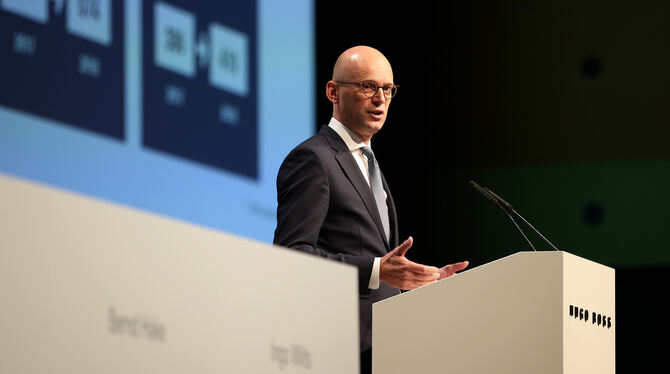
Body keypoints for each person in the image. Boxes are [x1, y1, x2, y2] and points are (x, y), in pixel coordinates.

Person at [273, 45, 469, 374]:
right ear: (333, 92)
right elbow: (291, 257)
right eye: (367, 86)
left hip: (384, 350)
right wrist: (377, 270)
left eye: (388, 89)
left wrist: (416, 281)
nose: (380, 98)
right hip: (334, 348)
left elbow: (375, 262)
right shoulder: (314, 160)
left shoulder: (370, 166)